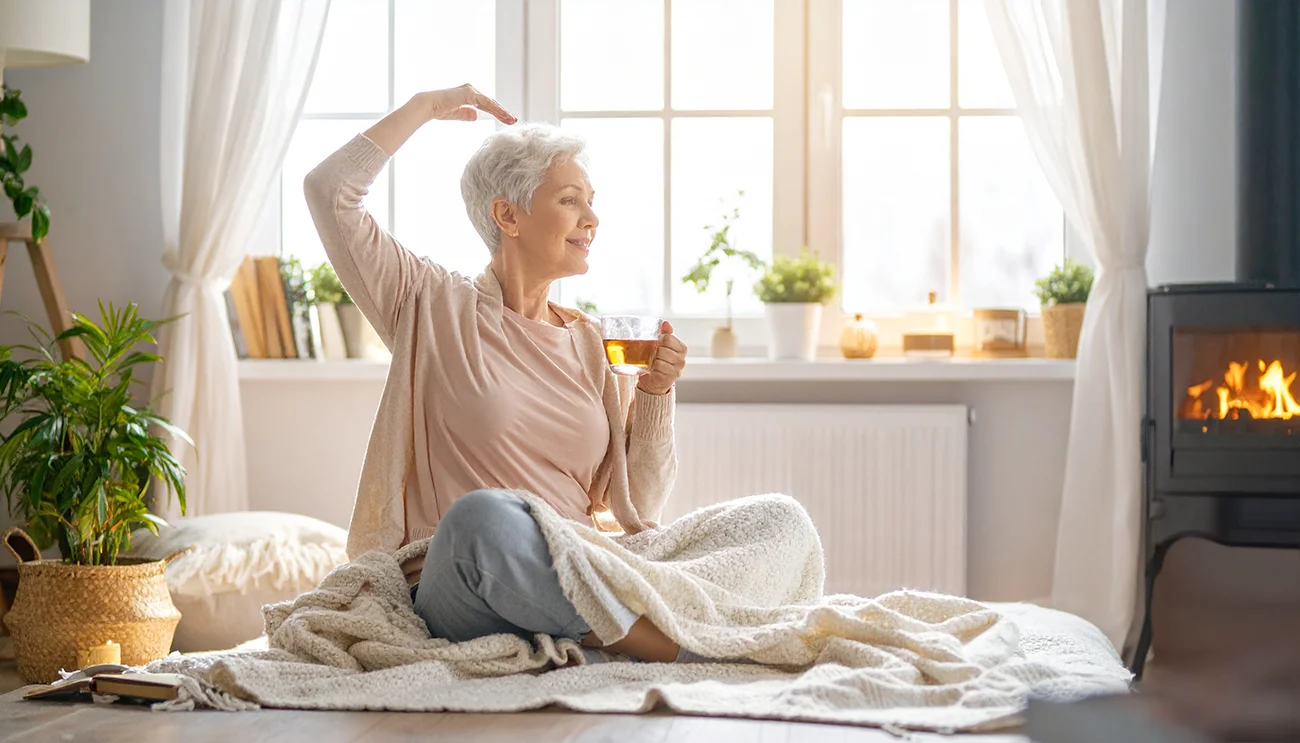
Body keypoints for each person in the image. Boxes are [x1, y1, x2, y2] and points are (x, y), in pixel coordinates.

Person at [304, 84, 694, 664]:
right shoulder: (429, 304)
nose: (592, 218)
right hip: (461, 580)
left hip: (581, 562)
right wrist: (426, 108)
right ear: (507, 214)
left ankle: (592, 624)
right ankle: (659, 641)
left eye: (590, 201)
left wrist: (655, 394)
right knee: (480, 518)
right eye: (570, 201)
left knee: (773, 519)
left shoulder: (591, 343)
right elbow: (329, 192)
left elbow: (637, 505)